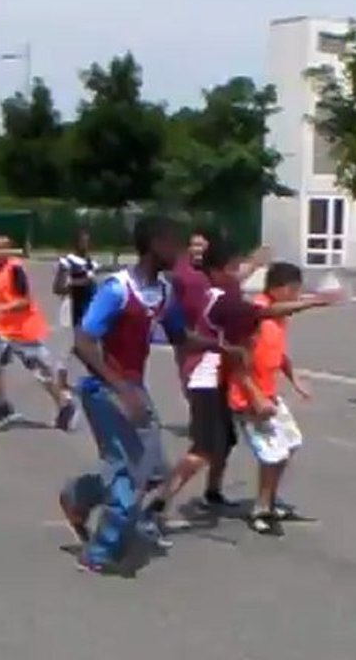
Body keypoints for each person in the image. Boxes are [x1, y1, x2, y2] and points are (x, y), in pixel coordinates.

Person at [60, 216, 246, 574]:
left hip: (133, 389)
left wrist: (221, 347)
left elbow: (180, 336)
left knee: (156, 471)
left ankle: (79, 494)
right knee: (129, 477)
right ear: (156, 244)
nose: (180, 252)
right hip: (106, 390)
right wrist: (120, 389)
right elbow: (83, 342)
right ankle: (100, 552)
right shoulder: (117, 289)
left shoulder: (162, 291)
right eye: (175, 244)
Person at [226, 262, 333, 536]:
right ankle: (261, 509)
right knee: (272, 454)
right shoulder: (256, 314)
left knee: (291, 442)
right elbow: (237, 362)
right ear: (279, 289)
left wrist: (294, 377)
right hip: (250, 399)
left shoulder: (279, 317)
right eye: (294, 290)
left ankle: (270, 499)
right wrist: (255, 397)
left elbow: (278, 353)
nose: (296, 296)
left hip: (270, 394)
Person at [168, 228, 271, 508]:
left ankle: (213, 491)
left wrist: (254, 262)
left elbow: (236, 279)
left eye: (203, 246)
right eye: (194, 245)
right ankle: (159, 501)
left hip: (221, 367)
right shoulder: (189, 279)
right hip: (202, 366)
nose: (198, 250)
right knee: (204, 447)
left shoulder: (224, 283)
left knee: (224, 439)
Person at [0, 235, 76, 432]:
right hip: (4, 330)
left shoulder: (15, 269)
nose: (1, 251)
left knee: (42, 372)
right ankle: (3, 407)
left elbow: (24, 301)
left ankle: (65, 405)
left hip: (24, 331)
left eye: (5, 247)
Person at [51, 227, 100, 427]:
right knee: (63, 355)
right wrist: (79, 282)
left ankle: (93, 388)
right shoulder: (67, 262)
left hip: (87, 312)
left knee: (89, 353)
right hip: (70, 311)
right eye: (82, 240)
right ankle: (64, 400)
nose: (85, 244)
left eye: (88, 240)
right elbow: (57, 288)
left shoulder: (91, 263)